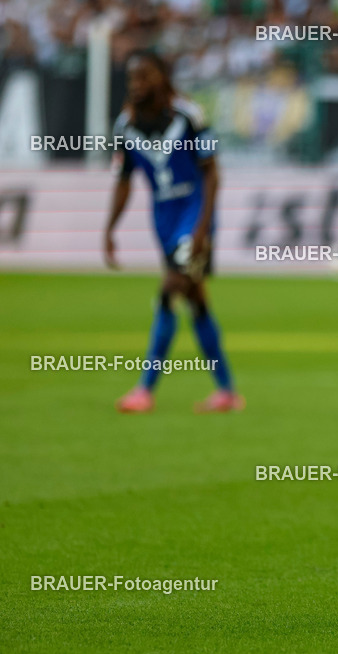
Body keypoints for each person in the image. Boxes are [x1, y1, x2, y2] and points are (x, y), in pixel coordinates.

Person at [104, 51, 242, 414]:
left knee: (169, 292)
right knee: (195, 301)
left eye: (144, 77)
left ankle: (144, 390)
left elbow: (212, 172)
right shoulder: (125, 126)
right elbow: (123, 180)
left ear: (162, 79)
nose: (137, 85)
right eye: (132, 78)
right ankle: (227, 391)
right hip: (163, 221)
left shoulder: (190, 115)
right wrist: (109, 228)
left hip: (195, 218)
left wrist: (203, 229)